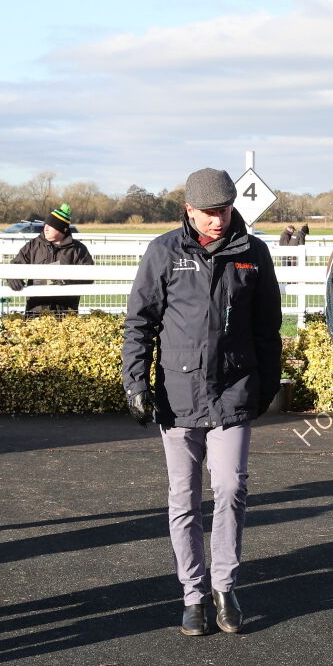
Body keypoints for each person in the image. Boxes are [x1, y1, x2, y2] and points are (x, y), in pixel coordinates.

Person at [121, 168, 282, 637]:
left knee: (231, 488)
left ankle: (224, 587)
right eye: (209, 212)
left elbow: (267, 328)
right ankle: (193, 595)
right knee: (184, 500)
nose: (218, 220)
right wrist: (135, 383)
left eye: (225, 210)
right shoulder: (164, 252)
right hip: (178, 396)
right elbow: (140, 324)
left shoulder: (253, 254)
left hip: (234, 391)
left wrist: (267, 384)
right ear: (189, 210)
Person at [7, 204, 94, 316]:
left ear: (62, 229)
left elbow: (89, 276)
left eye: (51, 225)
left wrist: (66, 281)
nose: (45, 228)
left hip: (66, 314)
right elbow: (15, 264)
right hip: (35, 313)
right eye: (46, 224)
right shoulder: (33, 245)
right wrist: (11, 277)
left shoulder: (78, 249)